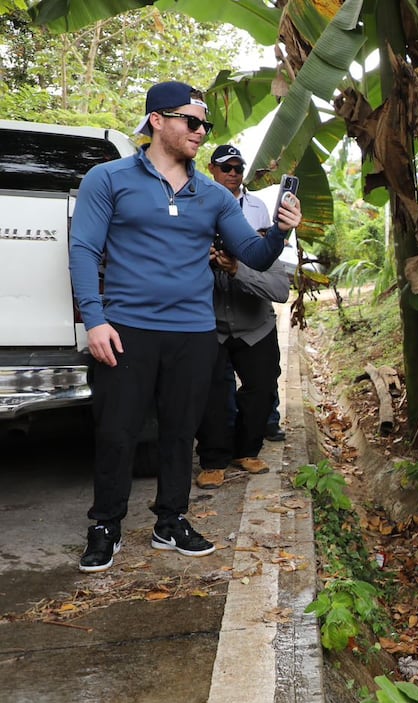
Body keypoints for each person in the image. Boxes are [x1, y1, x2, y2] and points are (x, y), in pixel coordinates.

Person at [70, 81, 302, 573]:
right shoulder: (108, 179)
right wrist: (95, 319)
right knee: (117, 431)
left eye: (205, 125)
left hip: (194, 333)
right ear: (157, 120)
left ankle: (170, 520)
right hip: (126, 328)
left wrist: (280, 230)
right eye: (191, 121)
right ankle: (105, 525)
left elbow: (254, 254)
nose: (201, 132)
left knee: (181, 433)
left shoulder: (214, 195)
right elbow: (84, 250)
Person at [194, 144, 291, 489]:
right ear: (213, 170)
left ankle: (247, 450)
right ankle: (213, 458)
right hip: (211, 325)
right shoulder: (195, 207)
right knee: (213, 395)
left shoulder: (258, 223)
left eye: (239, 168)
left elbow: (280, 289)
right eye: (226, 168)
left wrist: (239, 269)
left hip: (255, 325)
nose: (233, 173)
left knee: (262, 389)